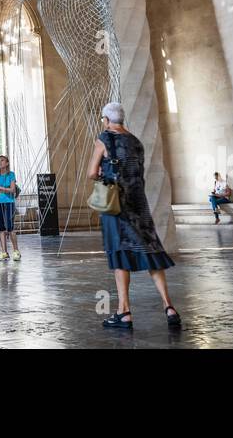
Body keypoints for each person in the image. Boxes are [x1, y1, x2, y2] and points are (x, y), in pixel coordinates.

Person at [87, 102, 181, 329]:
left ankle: (124, 311)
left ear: (107, 120)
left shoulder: (104, 138)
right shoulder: (136, 142)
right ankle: (169, 306)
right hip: (139, 203)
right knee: (152, 251)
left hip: (116, 204)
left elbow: (91, 172)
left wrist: (102, 174)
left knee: (119, 254)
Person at [0, 154, 21, 261]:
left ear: (7, 163)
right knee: (1, 229)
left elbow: (13, 190)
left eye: (2, 160)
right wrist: (5, 189)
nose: (0, 162)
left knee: (10, 228)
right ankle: (4, 252)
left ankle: (16, 251)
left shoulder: (11, 175)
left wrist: (2, 189)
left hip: (9, 203)